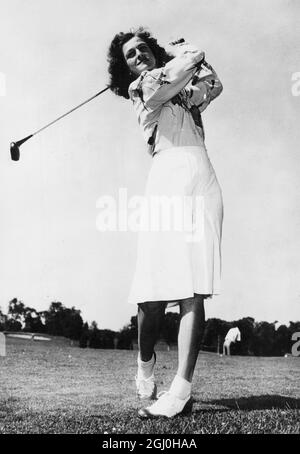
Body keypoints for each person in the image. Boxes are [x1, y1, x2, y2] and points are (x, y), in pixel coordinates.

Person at [107, 27, 224, 418]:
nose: (139, 55)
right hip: (166, 177)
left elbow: (212, 83)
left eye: (144, 48)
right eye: (130, 54)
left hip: (202, 174)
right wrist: (184, 49)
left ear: (154, 52)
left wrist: (185, 56)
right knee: (152, 297)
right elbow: (190, 63)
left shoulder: (181, 90)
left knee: (195, 288)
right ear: (125, 69)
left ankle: (180, 392)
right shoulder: (144, 88)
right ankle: (145, 364)